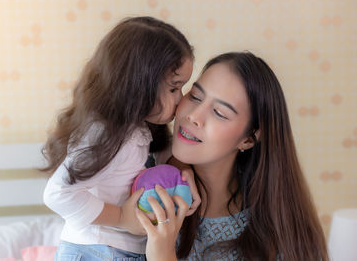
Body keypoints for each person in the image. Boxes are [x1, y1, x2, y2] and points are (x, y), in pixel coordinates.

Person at [136, 52, 329, 261]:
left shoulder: (281, 234)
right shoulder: (134, 170)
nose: (194, 116)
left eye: (219, 112)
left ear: (248, 139)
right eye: (195, 96)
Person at [42, 16, 195, 260]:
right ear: (138, 84)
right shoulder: (103, 134)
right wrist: (121, 217)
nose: (181, 98)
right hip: (94, 250)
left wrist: (183, 178)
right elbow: (57, 194)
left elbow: (164, 158)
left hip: (122, 249)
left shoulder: (139, 127)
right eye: (174, 88)